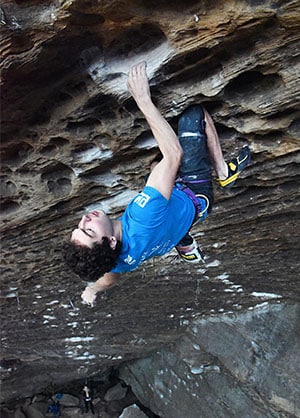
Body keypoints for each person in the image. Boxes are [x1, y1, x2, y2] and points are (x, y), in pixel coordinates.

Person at [62, 61, 250, 306]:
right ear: (110, 242)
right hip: (195, 195)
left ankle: (182, 241)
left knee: (155, 172)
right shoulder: (142, 213)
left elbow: (108, 280)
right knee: (194, 116)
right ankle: (225, 172)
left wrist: (92, 291)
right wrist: (142, 99)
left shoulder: (112, 259)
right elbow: (174, 154)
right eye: (89, 230)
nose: (85, 219)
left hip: (166, 226)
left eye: (78, 227)